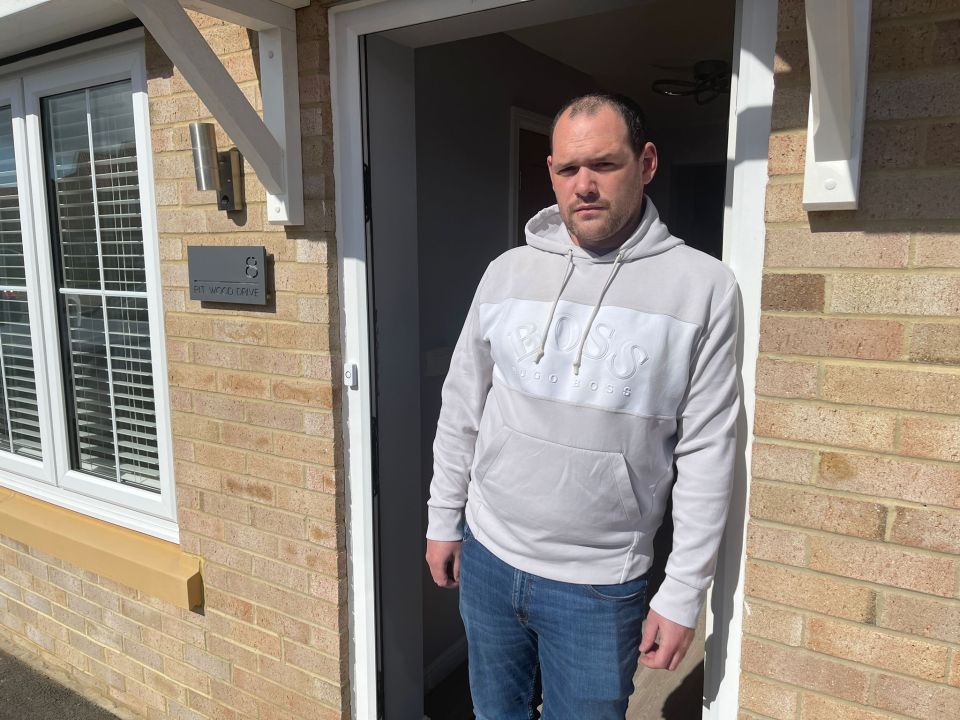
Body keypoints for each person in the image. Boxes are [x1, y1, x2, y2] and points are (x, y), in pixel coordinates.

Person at [424, 92, 739, 719]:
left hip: (600, 584)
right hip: (488, 556)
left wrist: (682, 593)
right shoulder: (507, 272)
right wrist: (443, 517)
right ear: (551, 174)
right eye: (569, 170)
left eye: (604, 165)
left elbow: (709, 449)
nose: (584, 185)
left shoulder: (704, 287)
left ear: (646, 163)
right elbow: (462, 401)